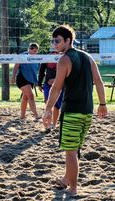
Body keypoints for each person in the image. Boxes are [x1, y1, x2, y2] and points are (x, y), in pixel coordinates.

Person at [42, 25, 108, 196]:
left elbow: (56, 88)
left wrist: (48, 109)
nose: (54, 44)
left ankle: (73, 188)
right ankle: (66, 179)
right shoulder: (88, 57)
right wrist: (102, 104)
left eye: (57, 41)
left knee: (70, 152)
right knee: (75, 148)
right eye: (53, 41)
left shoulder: (64, 60)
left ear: (68, 41)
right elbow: (99, 82)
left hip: (71, 110)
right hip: (87, 110)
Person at [12, 43, 40, 120]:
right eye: (32, 50)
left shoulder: (38, 58)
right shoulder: (23, 55)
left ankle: (22, 115)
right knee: (31, 96)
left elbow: (37, 71)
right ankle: (36, 115)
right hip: (22, 79)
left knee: (25, 98)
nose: (34, 52)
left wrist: (37, 81)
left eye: (35, 51)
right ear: (29, 49)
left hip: (31, 80)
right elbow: (16, 66)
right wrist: (13, 77)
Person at [38, 49, 64, 130]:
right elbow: (41, 71)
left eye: (56, 51)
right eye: (52, 51)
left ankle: (54, 124)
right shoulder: (47, 58)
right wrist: (39, 84)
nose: (54, 53)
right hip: (47, 85)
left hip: (60, 85)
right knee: (48, 103)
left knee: (56, 106)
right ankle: (48, 125)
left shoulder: (63, 59)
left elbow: (66, 74)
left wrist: (56, 81)